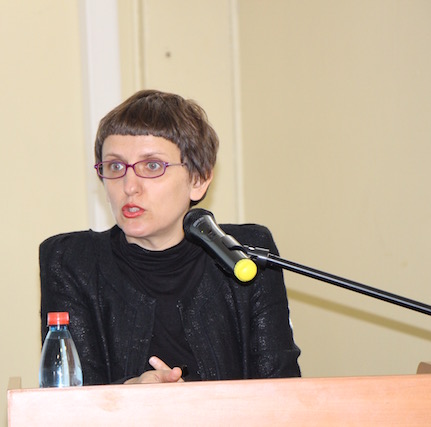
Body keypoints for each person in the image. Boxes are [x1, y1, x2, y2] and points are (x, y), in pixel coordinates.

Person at [40, 89, 301, 384]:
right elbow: (70, 399)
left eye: (152, 166)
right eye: (115, 166)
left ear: (198, 179)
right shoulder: (71, 262)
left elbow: (282, 390)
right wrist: (129, 393)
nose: (129, 186)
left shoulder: (245, 254)